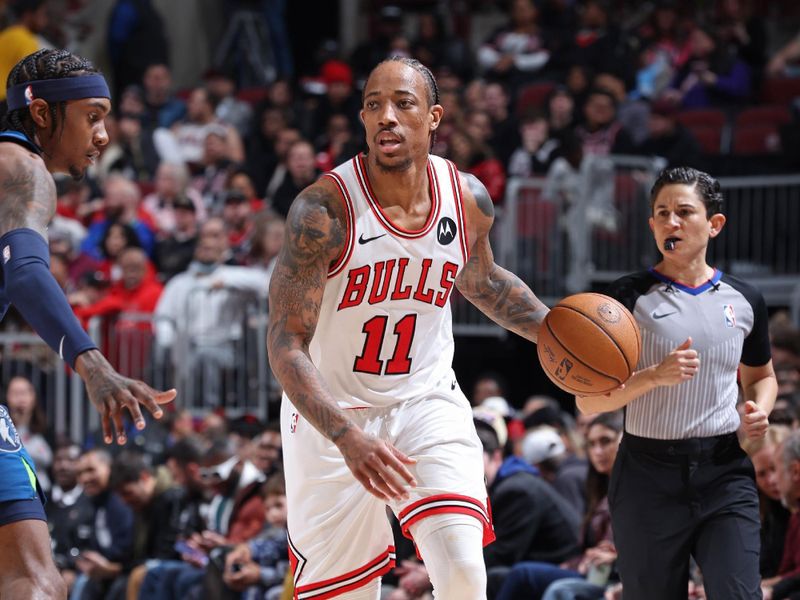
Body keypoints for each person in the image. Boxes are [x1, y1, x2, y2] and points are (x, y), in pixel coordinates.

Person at [267, 57, 550, 599]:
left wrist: (560, 335)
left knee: (463, 570)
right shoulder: (323, 211)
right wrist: (347, 436)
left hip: (423, 400)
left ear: (435, 116)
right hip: (331, 416)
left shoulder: (466, 199)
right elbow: (284, 342)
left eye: (403, 103)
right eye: (374, 105)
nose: (386, 117)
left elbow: (484, 283)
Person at [0, 48, 176, 599]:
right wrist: (92, 362)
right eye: (92, 116)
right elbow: (26, 271)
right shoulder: (22, 169)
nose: (103, 134)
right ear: (44, 114)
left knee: (33, 578)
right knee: (33, 580)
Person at [576, 166, 778, 599]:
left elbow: (762, 376)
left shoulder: (745, 300)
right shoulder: (624, 298)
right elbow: (587, 402)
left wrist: (760, 407)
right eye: (662, 213)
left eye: (684, 211)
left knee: (740, 593)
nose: (672, 222)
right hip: (647, 473)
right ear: (651, 225)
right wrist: (653, 376)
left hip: (724, 469)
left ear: (714, 224)